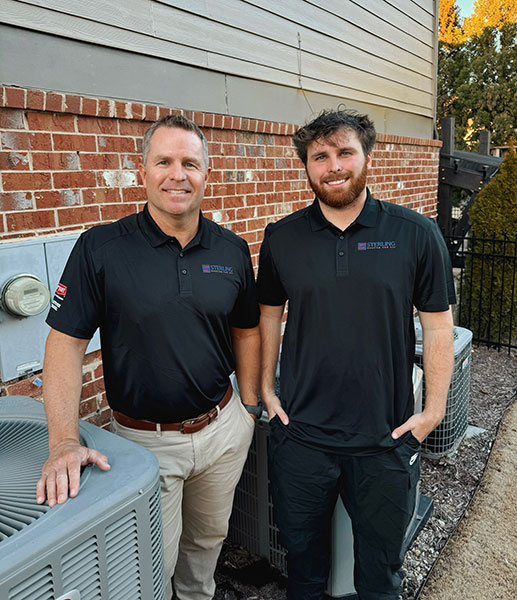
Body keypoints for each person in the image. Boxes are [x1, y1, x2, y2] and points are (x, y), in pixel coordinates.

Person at [36, 114, 261, 600]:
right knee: (149, 563)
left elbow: (246, 330)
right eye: (164, 161)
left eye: (190, 163)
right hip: (145, 445)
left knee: (206, 544)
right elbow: (65, 344)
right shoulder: (101, 249)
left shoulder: (232, 250)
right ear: (143, 170)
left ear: (207, 174)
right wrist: (62, 443)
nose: (177, 174)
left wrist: (247, 406)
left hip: (223, 431)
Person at [257, 109, 455, 600]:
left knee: (380, 577)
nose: (334, 165)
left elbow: (437, 325)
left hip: (384, 440)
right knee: (302, 571)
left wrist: (433, 410)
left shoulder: (415, 233)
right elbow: (267, 315)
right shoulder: (282, 238)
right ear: (306, 165)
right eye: (319, 156)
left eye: (345, 152)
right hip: (301, 438)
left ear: (367, 157)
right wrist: (263, 387)